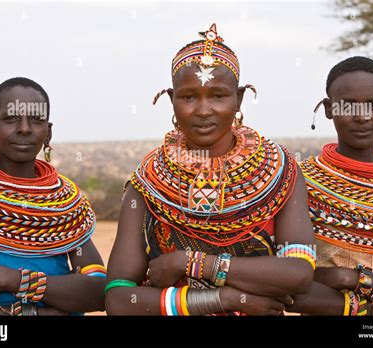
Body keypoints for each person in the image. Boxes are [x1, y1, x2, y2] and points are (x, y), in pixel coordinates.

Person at [105, 23, 315, 316]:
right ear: (171, 99)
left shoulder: (281, 172)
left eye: (218, 96)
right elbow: (118, 300)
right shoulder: (148, 182)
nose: (203, 110)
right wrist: (223, 298)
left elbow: (299, 273)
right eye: (189, 97)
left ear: (239, 99)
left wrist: (189, 262)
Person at [0, 77, 106, 315]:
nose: (24, 128)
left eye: (36, 120)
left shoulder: (65, 205)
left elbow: (98, 291)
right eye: (11, 119)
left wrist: (13, 280)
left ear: (48, 133)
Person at [286, 56, 373, 316]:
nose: (362, 117)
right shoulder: (297, 182)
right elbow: (289, 284)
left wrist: (351, 278)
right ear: (329, 109)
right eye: (348, 106)